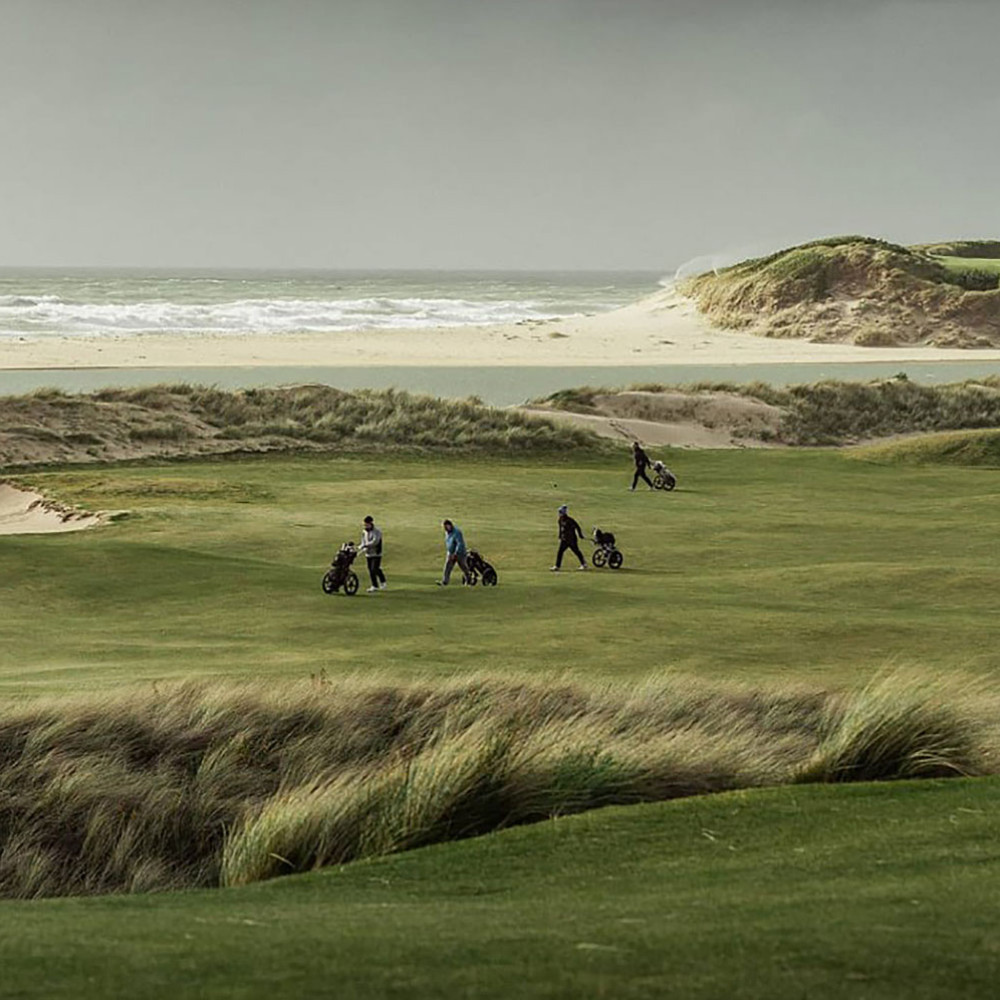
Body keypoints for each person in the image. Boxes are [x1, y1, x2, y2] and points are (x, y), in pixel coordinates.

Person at [551, 504, 587, 571]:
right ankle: (557, 566)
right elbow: (561, 529)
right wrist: (560, 536)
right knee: (560, 552)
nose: (559, 514)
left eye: (560, 512)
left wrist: (580, 535)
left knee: (576, 551)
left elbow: (577, 527)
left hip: (571, 540)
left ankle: (584, 564)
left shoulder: (570, 520)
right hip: (564, 540)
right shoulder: (560, 520)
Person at [438, 518, 470, 586]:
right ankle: (444, 582)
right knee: (447, 567)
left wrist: (455, 554)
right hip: (450, 553)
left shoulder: (457, 532)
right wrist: (449, 553)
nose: (445, 529)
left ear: (449, 525)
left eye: (446, 527)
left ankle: (469, 579)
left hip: (460, 553)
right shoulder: (447, 533)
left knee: (463, 567)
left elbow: (460, 544)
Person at [359, 515, 387, 593]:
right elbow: (363, 541)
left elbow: (375, 541)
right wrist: (361, 547)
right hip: (368, 553)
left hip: (376, 553)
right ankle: (375, 585)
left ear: (371, 523)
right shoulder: (364, 531)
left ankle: (382, 582)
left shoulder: (377, 531)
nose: (365, 526)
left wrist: (366, 545)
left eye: (367, 524)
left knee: (374, 568)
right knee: (371, 569)